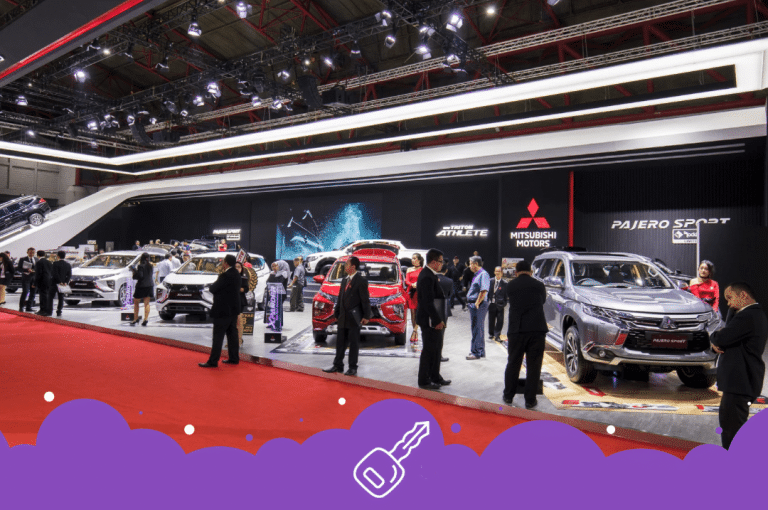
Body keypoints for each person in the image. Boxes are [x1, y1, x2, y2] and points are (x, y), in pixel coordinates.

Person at [710, 282, 767, 449]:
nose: (728, 304)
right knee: (731, 428)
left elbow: (722, 338)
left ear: (743, 296)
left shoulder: (748, 315)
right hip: (741, 383)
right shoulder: (753, 314)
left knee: (732, 432)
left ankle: (735, 469)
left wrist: (715, 336)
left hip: (739, 383)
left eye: (730, 298)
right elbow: (726, 335)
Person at [503, 260, 548, 409]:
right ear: (531, 271)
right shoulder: (539, 285)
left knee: (513, 363)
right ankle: (530, 400)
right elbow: (542, 301)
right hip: (536, 329)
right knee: (534, 365)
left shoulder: (510, 285)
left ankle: (508, 396)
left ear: (516, 272)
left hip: (516, 330)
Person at [323, 256, 372, 376]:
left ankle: (353, 367)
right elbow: (340, 297)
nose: (345, 267)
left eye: (346, 264)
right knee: (340, 343)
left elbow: (365, 300)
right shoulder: (344, 280)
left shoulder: (361, 281)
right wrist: (337, 312)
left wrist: (366, 316)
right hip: (343, 317)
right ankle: (338, 365)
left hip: (354, 318)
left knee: (354, 344)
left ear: (353, 266)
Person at [200, 254, 242, 367]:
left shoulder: (225, 275)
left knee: (218, 336)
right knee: (232, 335)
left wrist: (213, 287)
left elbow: (213, 288)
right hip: (233, 310)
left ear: (226, 263)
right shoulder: (237, 274)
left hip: (223, 310)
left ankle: (213, 361)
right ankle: (234, 358)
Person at [417, 249, 449, 389]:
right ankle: (424, 380)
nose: (442, 264)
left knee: (436, 349)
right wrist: (436, 321)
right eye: (441, 261)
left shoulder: (431, 275)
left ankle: (435, 376)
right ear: (434, 262)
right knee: (429, 350)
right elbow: (427, 302)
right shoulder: (426, 277)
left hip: (433, 319)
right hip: (429, 321)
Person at [466, 256, 490, 360]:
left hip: (478, 305)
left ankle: (476, 352)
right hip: (476, 304)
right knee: (477, 328)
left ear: (476, 264)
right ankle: (480, 351)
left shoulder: (483, 274)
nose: (469, 266)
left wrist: (477, 302)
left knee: (477, 328)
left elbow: (484, 290)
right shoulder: (478, 274)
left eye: (471, 263)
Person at [404, 253, 424, 343]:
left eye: (414, 258)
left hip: (420, 293)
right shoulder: (409, 269)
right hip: (411, 293)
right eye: (412, 258)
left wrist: (418, 284)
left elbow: (424, 281)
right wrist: (412, 284)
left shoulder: (423, 270)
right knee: (412, 314)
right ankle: (414, 331)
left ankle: (415, 331)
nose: (412, 260)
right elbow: (406, 280)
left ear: (419, 260)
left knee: (419, 313)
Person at [130, 253, 153, 326]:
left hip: (141, 286)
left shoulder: (140, 266)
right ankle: (145, 319)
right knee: (147, 303)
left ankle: (135, 319)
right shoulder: (151, 266)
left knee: (136, 302)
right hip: (149, 285)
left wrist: (134, 271)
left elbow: (140, 276)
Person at [488, 266, 508, 342]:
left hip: (500, 305)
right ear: (494, 272)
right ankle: (491, 333)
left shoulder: (505, 283)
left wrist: (504, 304)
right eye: (496, 271)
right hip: (491, 304)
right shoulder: (490, 281)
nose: (497, 273)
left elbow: (506, 296)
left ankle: (497, 335)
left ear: (502, 273)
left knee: (500, 321)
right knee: (491, 320)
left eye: (499, 271)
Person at [52, 250, 72, 317]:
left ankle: (49, 309)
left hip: (55, 283)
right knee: (61, 298)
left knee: (51, 297)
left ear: (58, 256)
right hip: (63, 284)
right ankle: (59, 311)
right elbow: (69, 275)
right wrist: (65, 282)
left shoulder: (55, 263)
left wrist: (59, 281)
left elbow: (55, 274)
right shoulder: (68, 264)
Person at [33, 250, 54, 316]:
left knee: (42, 296)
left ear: (37, 255)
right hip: (48, 281)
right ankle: (47, 310)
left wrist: (35, 283)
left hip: (42, 281)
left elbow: (38, 274)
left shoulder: (39, 262)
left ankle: (43, 310)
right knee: (46, 296)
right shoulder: (49, 262)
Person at [234, 261, 250, 346]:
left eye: (238, 267)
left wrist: (241, 289)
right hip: (230, 301)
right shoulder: (229, 277)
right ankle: (232, 340)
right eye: (235, 267)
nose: (237, 269)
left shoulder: (243, 278)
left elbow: (246, 289)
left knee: (239, 320)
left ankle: (240, 339)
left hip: (240, 300)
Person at [17, 247, 37, 312]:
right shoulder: (23, 259)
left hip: (34, 279)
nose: (32, 254)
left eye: (33, 252)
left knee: (33, 293)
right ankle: (21, 307)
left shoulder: (36, 259)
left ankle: (29, 307)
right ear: (27, 252)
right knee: (25, 292)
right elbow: (19, 269)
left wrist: (34, 271)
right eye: (30, 252)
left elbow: (38, 269)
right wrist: (26, 270)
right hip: (26, 278)